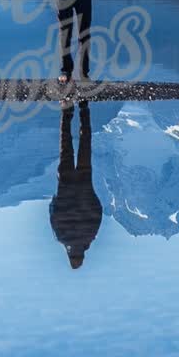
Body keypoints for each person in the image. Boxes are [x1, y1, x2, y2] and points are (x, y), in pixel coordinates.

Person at [49, 100, 103, 269]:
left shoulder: (90, 235)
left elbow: (97, 212)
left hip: (85, 184)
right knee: (66, 145)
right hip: (65, 185)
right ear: (71, 255)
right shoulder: (61, 237)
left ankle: (84, 108)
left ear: (82, 255)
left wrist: (91, 194)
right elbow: (53, 214)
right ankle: (67, 110)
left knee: (85, 143)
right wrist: (56, 199)